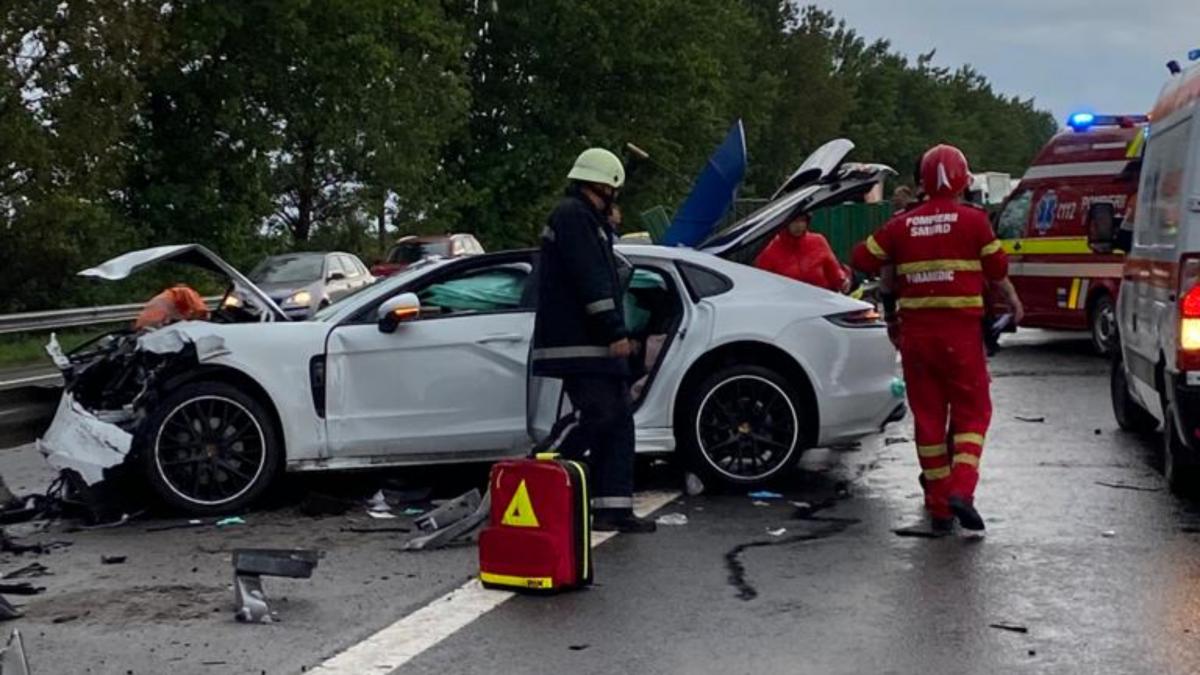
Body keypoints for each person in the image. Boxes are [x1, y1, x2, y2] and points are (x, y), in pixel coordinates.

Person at [851, 144, 1024, 536]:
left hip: (916, 337)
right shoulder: (975, 221)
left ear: (922, 181)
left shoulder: (901, 224)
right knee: (973, 412)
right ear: (964, 179)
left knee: (929, 420)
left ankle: (940, 506)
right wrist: (1012, 300)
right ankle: (963, 488)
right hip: (961, 335)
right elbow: (998, 267)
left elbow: (862, 258)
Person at [531, 147, 656, 534]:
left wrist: (609, 228)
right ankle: (538, 467)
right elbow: (591, 279)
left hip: (591, 343)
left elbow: (601, 266)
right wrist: (614, 332)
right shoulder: (573, 217)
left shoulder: (585, 219)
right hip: (582, 343)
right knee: (599, 414)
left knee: (618, 420)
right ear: (606, 185)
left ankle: (613, 507)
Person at [754, 212, 850, 292]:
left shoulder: (818, 241)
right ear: (784, 223)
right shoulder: (770, 250)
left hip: (822, 303)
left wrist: (843, 281)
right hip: (789, 306)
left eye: (802, 220)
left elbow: (834, 271)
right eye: (794, 221)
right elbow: (762, 286)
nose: (799, 225)